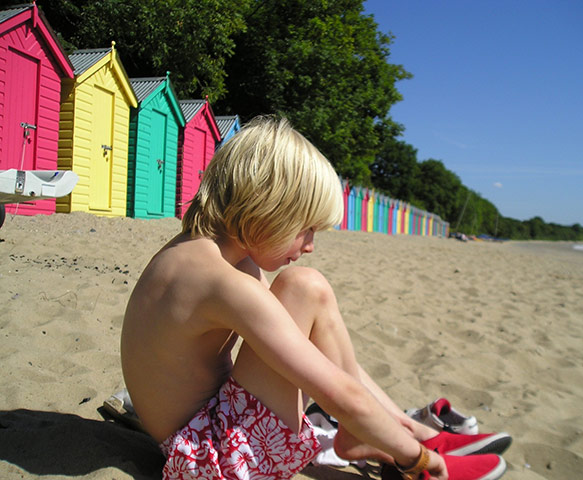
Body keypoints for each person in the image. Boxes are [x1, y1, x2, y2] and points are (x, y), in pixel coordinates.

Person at [120, 116, 509, 480]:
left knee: (303, 286)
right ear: (267, 206)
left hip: (197, 437)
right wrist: (423, 461)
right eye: (305, 228)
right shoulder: (224, 283)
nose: (309, 245)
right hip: (211, 460)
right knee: (306, 285)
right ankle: (407, 444)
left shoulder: (198, 255)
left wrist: (395, 425)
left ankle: (397, 429)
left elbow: (327, 366)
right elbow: (339, 394)